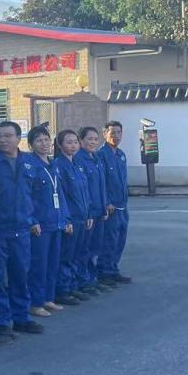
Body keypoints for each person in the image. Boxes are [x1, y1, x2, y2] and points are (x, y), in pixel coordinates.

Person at [0, 121, 45, 336]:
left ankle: (21, 317)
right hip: (0, 230)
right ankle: (1, 320)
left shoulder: (29, 162)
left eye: (8, 136)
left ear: (19, 138)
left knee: (21, 273)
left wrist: (33, 219)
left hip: (22, 229)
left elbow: (35, 195)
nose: (2, 140)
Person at [23, 125, 65, 318]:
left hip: (55, 221)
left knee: (52, 262)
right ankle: (36, 303)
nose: (44, 143)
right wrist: (32, 220)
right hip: (40, 224)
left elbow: (60, 194)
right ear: (31, 145)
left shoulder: (53, 164)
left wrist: (65, 218)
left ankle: (48, 298)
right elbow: (26, 196)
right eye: (39, 140)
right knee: (38, 264)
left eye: (46, 139)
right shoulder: (29, 165)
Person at [53, 129, 91, 306]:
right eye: (69, 142)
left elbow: (85, 191)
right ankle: (63, 289)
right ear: (60, 145)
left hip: (82, 217)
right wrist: (66, 219)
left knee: (78, 254)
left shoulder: (78, 164)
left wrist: (89, 214)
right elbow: (61, 196)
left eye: (75, 142)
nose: (73, 145)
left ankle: (74, 285)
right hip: (71, 219)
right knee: (66, 256)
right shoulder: (58, 166)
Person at [74, 126, 109, 297]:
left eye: (96, 139)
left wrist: (104, 206)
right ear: (81, 141)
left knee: (94, 248)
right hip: (88, 213)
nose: (93, 142)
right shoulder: (78, 160)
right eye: (89, 139)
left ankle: (92, 279)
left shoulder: (96, 158)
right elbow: (82, 190)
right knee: (84, 249)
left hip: (99, 211)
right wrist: (88, 212)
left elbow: (101, 186)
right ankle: (84, 281)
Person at [97, 120, 133, 285]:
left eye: (119, 132)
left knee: (120, 241)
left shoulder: (121, 155)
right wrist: (106, 202)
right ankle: (104, 273)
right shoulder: (101, 155)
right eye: (112, 133)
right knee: (109, 241)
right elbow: (101, 182)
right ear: (105, 134)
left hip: (122, 206)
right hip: (111, 207)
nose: (116, 136)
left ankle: (113, 269)